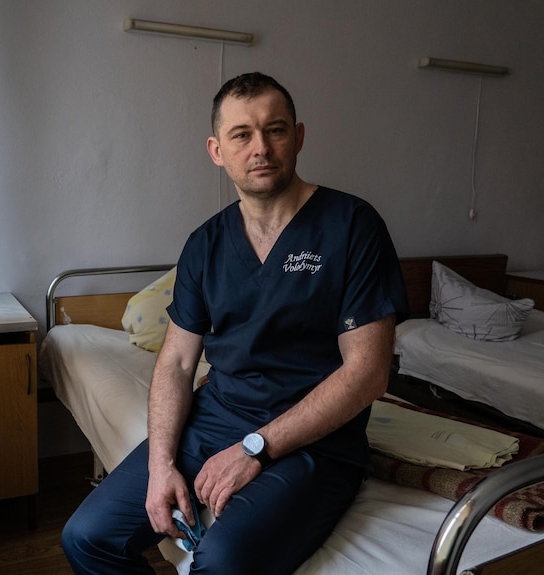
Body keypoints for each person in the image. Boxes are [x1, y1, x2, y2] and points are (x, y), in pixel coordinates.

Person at [62, 72, 409, 575]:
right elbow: (178, 363)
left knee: (221, 562)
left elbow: (368, 373)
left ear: (300, 137)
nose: (261, 148)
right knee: (86, 538)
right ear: (216, 150)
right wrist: (161, 464)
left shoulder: (352, 226)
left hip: (315, 440)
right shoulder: (205, 245)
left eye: (276, 130)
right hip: (216, 418)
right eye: (242, 135)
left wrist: (257, 448)